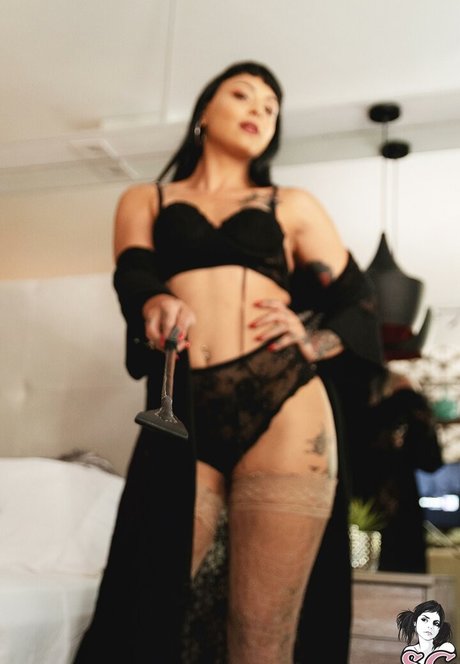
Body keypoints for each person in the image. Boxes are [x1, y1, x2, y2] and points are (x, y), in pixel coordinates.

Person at [73, 60, 383, 663]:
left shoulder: (290, 204)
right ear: (204, 113)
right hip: (182, 406)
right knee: (145, 606)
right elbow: (133, 273)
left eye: (271, 108)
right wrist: (155, 299)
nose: (259, 112)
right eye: (243, 95)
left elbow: (358, 301)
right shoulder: (147, 198)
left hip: (283, 400)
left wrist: (312, 338)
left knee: (262, 635)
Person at [351, 367, 443, 574]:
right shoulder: (410, 414)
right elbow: (432, 462)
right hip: (389, 511)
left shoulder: (373, 417)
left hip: (379, 509)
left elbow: (431, 462)